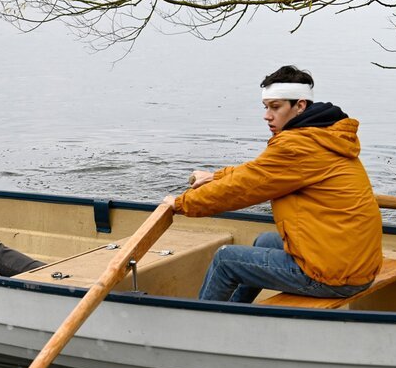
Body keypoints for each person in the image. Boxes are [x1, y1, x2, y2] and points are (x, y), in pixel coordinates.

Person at [164, 65, 383, 302]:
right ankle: (237, 310)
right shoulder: (324, 135)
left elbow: (243, 188)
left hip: (333, 276)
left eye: (275, 107)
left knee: (226, 260)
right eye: (266, 107)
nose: (267, 115)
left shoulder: (297, 146)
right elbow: (259, 172)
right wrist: (215, 177)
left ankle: (201, 328)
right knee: (265, 242)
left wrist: (180, 203)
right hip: (354, 266)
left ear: (300, 105)